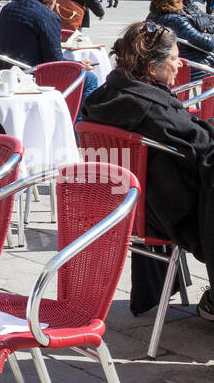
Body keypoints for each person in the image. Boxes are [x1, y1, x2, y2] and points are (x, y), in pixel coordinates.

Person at [80, 22, 214, 321]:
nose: (180, 63)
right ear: (152, 69)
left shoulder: (106, 96)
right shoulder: (152, 109)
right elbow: (201, 145)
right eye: (173, 58)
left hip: (128, 205)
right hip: (165, 212)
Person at [0, 0, 98, 99]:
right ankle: (74, 119)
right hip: (28, 74)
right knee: (90, 80)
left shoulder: (8, 8)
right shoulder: (48, 16)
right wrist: (78, 65)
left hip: (0, 71)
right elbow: (54, 61)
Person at [146, 0, 214, 78]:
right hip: (191, 65)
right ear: (175, 2)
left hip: (163, 63)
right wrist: (207, 34)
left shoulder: (151, 18)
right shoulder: (177, 20)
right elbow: (208, 44)